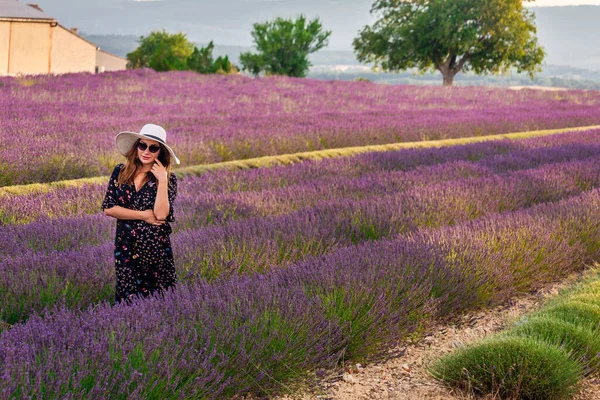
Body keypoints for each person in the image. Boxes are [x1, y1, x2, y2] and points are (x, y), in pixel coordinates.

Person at [101, 123, 180, 304]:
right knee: (127, 298)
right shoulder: (120, 172)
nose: (146, 151)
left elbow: (161, 215)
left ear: (161, 152)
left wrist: (161, 181)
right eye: (142, 145)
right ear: (136, 146)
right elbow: (109, 208)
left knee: (159, 300)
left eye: (153, 148)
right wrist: (143, 215)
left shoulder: (169, 180)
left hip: (154, 247)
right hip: (125, 245)